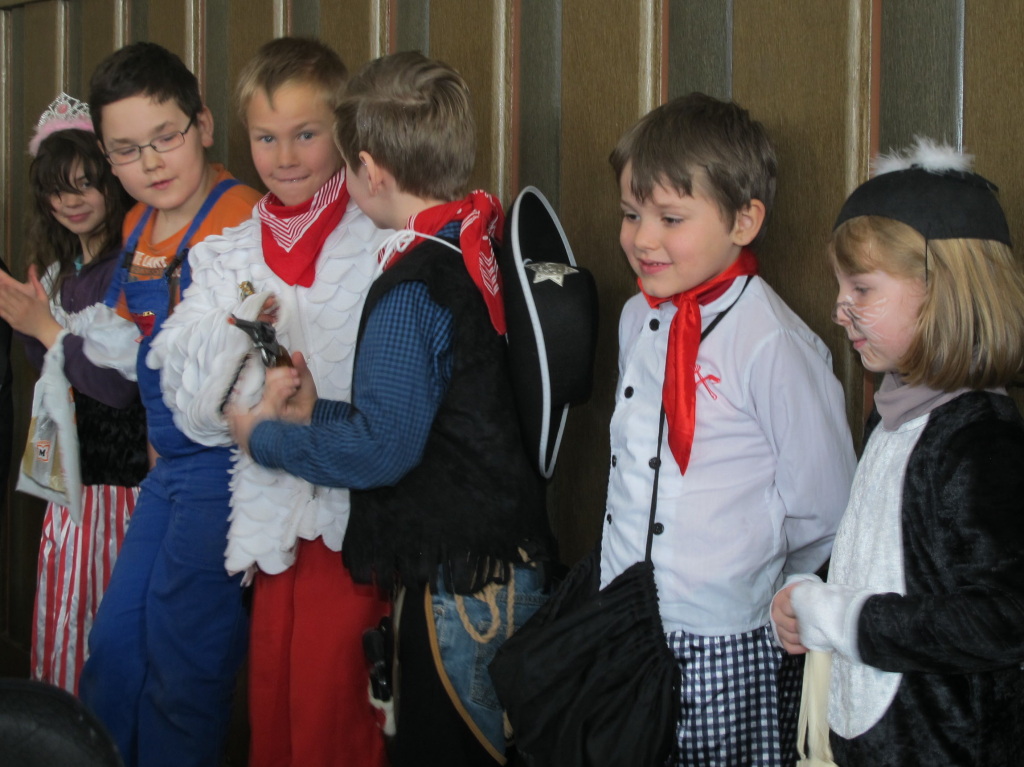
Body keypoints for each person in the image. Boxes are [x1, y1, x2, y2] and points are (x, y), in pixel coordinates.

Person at [228, 51, 555, 767]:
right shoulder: (468, 241)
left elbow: (383, 449)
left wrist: (265, 440)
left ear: (371, 171)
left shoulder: (413, 283)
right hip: (493, 559)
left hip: (463, 581)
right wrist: (320, 412)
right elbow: (425, 416)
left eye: (347, 167)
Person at [147, 37, 391, 767]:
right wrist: (244, 351)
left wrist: (293, 399)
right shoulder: (231, 250)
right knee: (274, 713)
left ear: (343, 133)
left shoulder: (378, 237)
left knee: (335, 717)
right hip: (267, 523)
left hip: (355, 526)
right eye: (266, 137)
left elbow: (395, 399)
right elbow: (186, 397)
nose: (285, 156)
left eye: (306, 134)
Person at [603, 92, 856, 766]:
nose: (642, 238)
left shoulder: (771, 342)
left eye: (670, 217)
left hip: (720, 634)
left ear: (744, 220)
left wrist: (753, 576)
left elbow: (826, 507)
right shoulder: (635, 318)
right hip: (623, 619)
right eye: (631, 214)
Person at [771, 139, 1024, 766]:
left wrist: (846, 618)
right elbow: (893, 562)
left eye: (862, 288)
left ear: (945, 291)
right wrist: (814, 595)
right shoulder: (893, 419)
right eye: (840, 287)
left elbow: (1002, 620)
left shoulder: (979, 442)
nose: (839, 309)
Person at [74, 43, 262, 767]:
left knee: (185, 661)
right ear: (106, 155)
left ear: (204, 124)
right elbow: (139, 360)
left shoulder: (240, 219)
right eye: (126, 149)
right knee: (115, 643)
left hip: (223, 471)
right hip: (168, 472)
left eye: (165, 137)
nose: (150, 162)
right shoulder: (132, 227)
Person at [0, 94, 145, 696]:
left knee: (101, 628)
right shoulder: (63, 270)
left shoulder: (129, 266)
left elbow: (116, 385)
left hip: (116, 491)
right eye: (59, 190)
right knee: (62, 616)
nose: (72, 201)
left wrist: (42, 326)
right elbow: (47, 362)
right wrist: (39, 325)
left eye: (86, 184)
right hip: (70, 483)